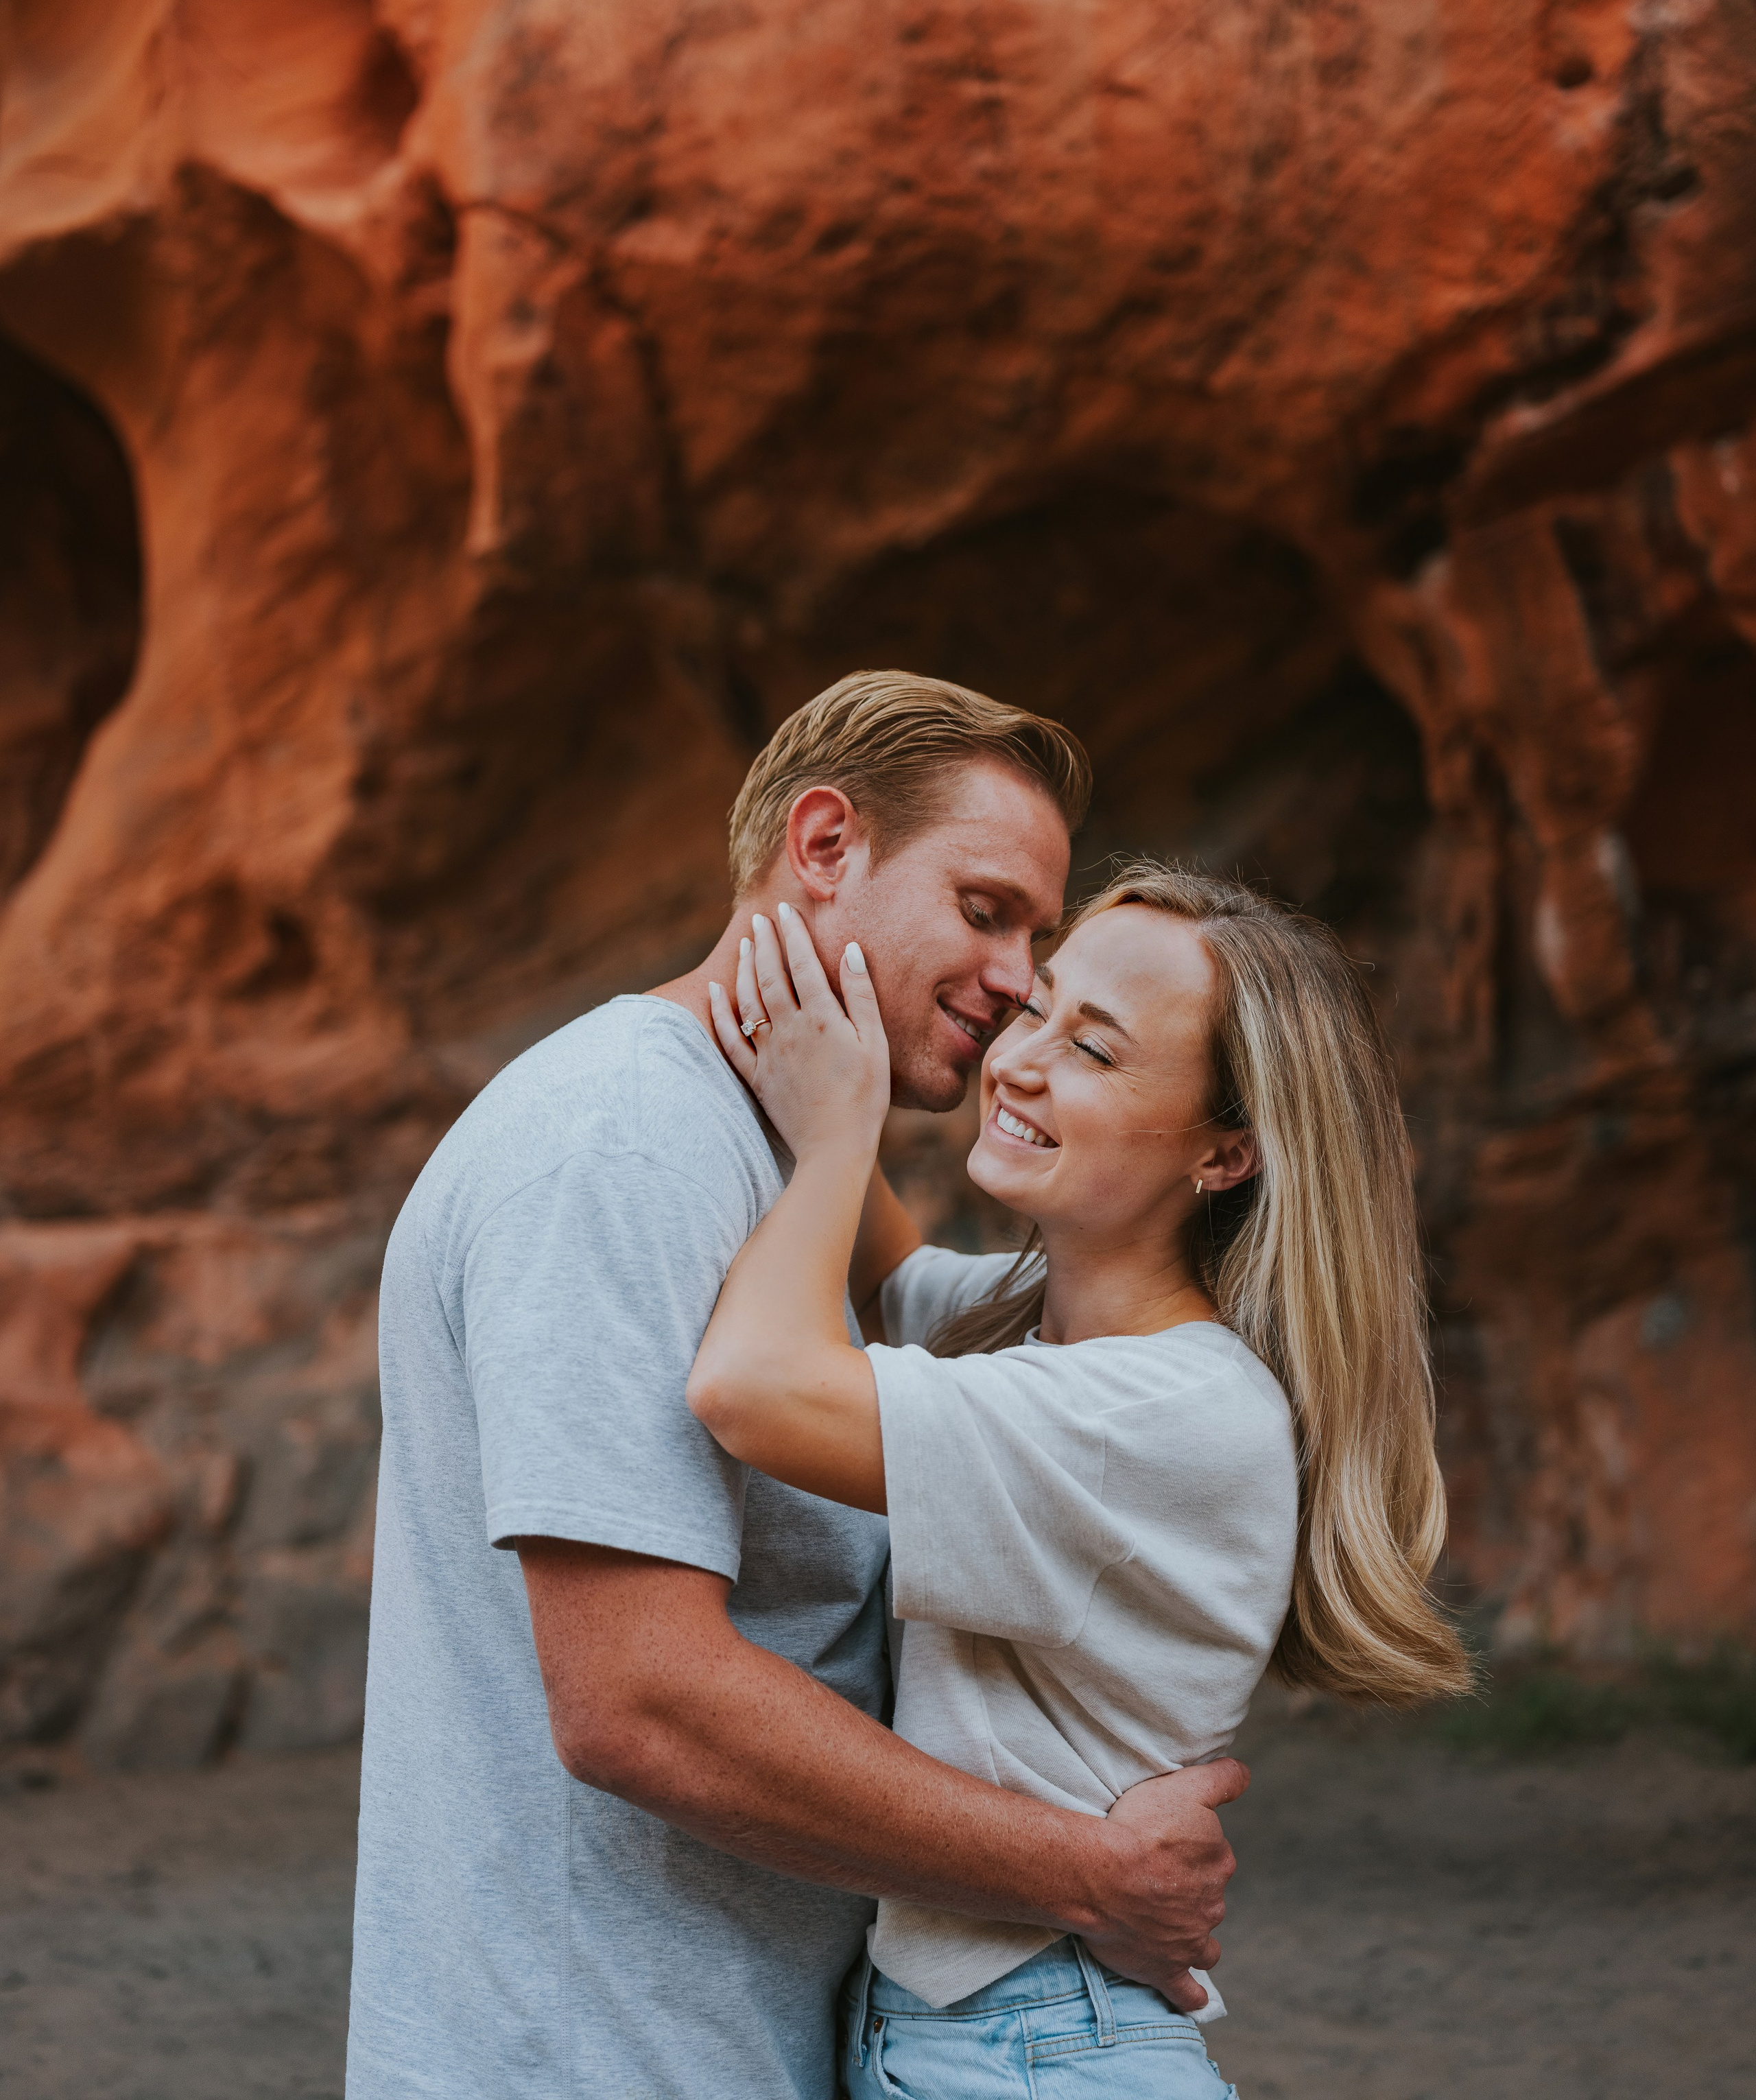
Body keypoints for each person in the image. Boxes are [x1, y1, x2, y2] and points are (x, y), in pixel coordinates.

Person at [346, 674, 1248, 2100]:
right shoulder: (621, 1148)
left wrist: (836, 1130)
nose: (1018, 979)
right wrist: (1091, 1873)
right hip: (597, 2057)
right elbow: (635, 1698)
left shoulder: (754, 1151)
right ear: (823, 848)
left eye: (1040, 938)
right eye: (984, 910)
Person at [688, 862, 1473, 2098]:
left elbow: (751, 1385)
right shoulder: (1032, 1333)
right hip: (998, 2031)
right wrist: (812, 953)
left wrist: (842, 1126)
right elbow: (886, 1266)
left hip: (1038, 2044)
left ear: (1227, 1152)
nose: (1020, 1058)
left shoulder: (1160, 1412)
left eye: (1096, 1050)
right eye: (1038, 1005)